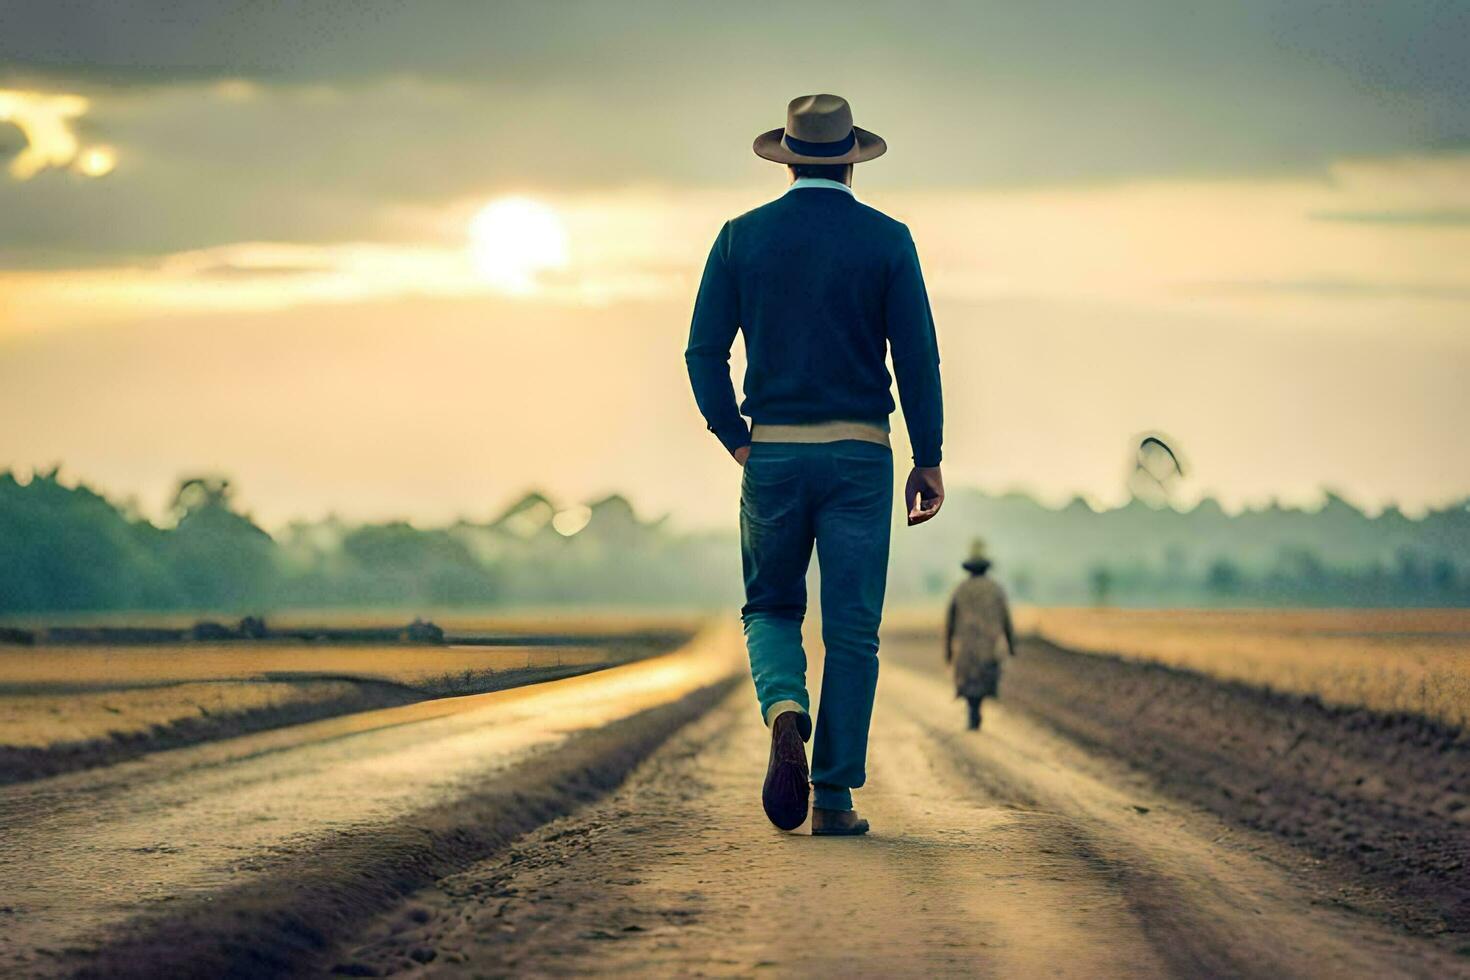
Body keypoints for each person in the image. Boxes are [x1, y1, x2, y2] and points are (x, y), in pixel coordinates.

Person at [685, 94, 945, 836]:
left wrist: (735, 435)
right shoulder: (889, 240)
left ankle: (784, 706)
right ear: (852, 163)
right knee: (853, 632)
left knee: (770, 606)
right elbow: (917, 358)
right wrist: (927, 458)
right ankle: (833, 797)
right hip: (861, 455)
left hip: (773, 453)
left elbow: (703, 352)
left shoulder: (740, 239)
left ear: (788, 158)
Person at [944, 539, 1015, 730]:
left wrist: (948, 650)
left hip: (965, 648)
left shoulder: (960, 590)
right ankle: (976, 709)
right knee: (984, 679)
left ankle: (972, 709)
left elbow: (949, 623)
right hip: (988, 647)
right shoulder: (996, 589)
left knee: (968, 681)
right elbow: (1006, 620)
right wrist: (1011, 645)